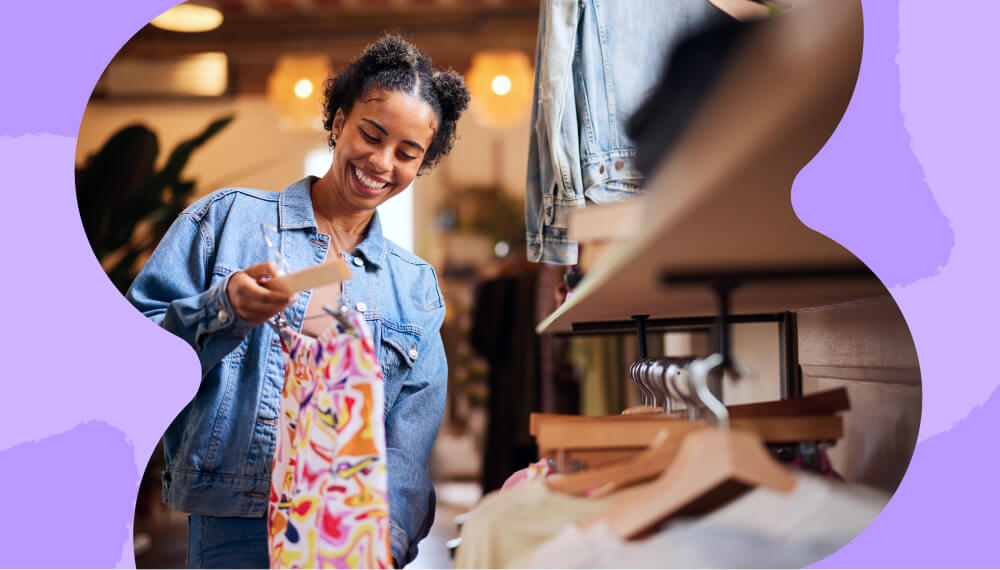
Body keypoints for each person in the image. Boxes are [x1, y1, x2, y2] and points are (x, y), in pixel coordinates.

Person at [127, 34, 470, 568]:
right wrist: (223, 310)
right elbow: (132, 358)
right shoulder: (225, 222)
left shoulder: (416, 287)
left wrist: (387, 539)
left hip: (353, 537)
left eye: (407, 153)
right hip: (233, 528)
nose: (382, 163)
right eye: (371, 135)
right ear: (338, 122)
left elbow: (408, 440)